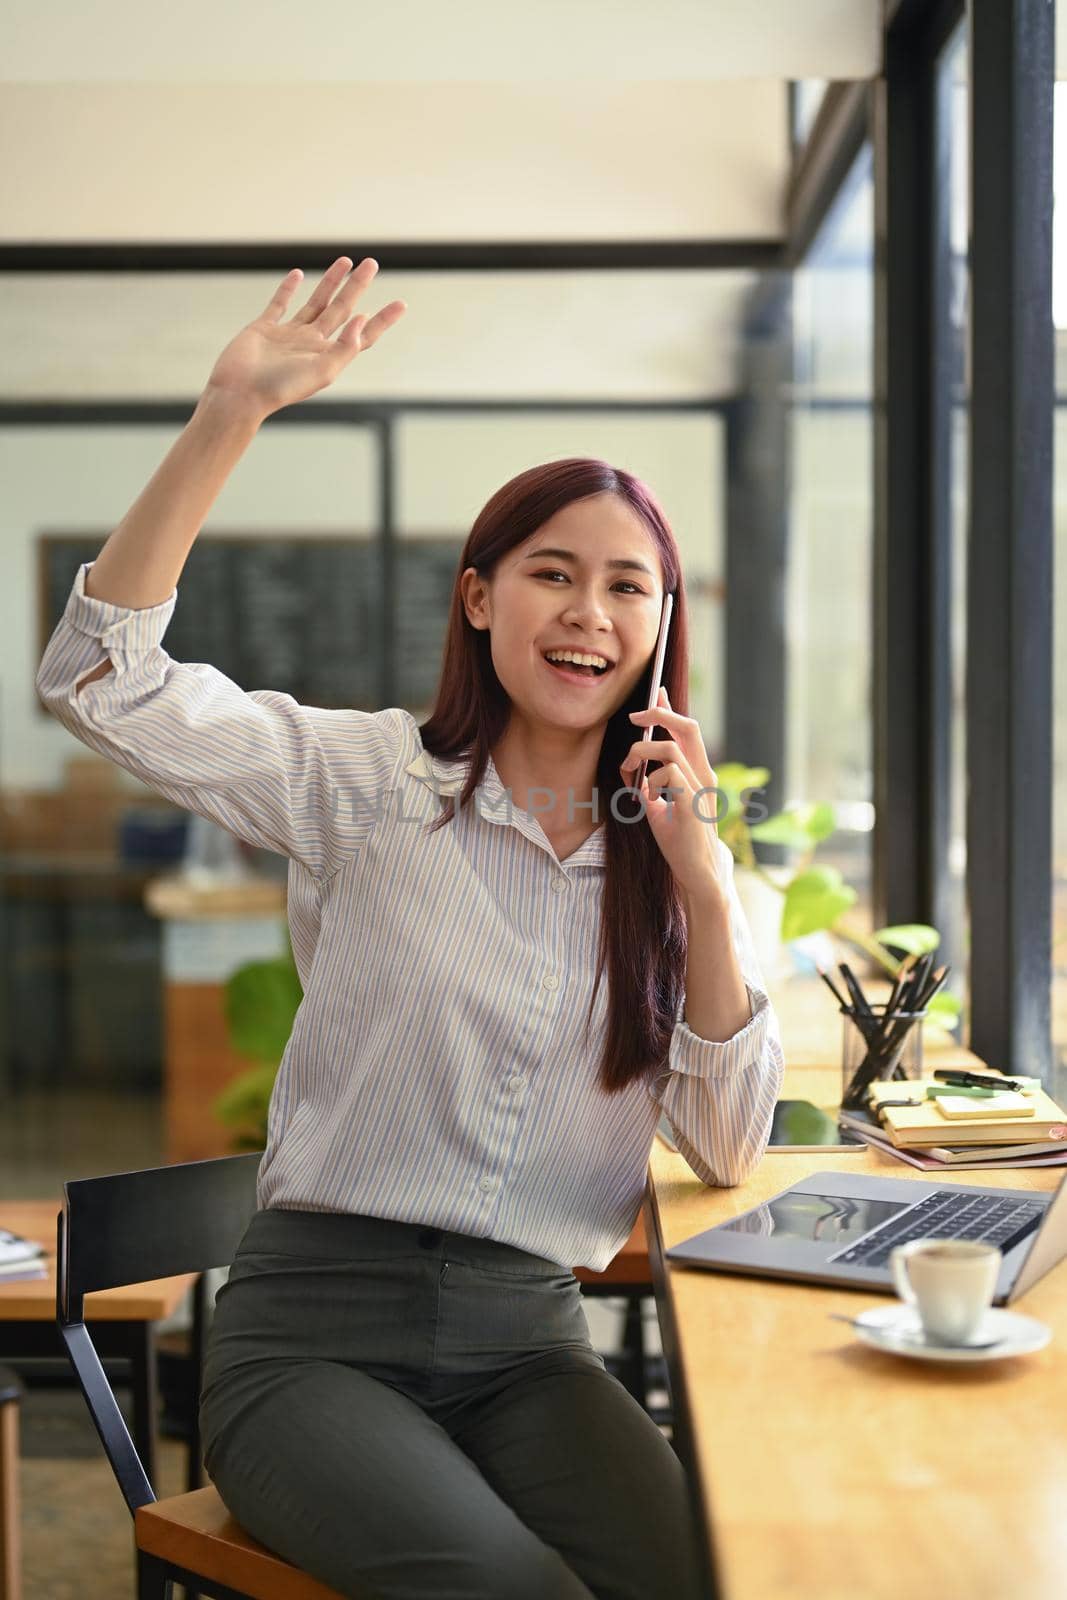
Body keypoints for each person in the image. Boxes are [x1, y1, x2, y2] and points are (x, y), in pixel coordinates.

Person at [35, 258, 785, 1600]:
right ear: (480, 597)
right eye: (553, 573)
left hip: (532, 1351)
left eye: (629, 588)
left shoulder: (664, 865)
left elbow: (727, 1146)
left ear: (663, 631)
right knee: (515, 1593)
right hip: (313, 1344)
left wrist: (704, 886)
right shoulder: (370, 781)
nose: (589, 613)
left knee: (720, 1575)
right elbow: (100, 682)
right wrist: (231, 412)